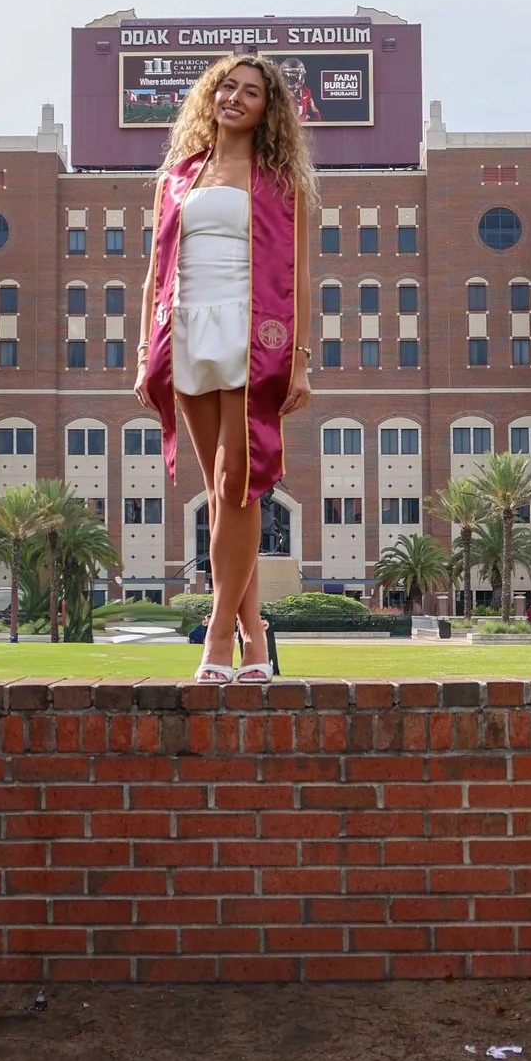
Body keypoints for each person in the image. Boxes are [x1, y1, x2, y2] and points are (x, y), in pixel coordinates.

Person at [140, 52, 315, 683]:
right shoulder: (177, 178)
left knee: (237, 480)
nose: (235, 97)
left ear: (269, 111)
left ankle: (218, 637)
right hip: (186, 330)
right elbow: (155, 273)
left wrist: (299, 361)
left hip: (251, 333)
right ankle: (255, 637)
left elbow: (299, 276)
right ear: (211, 95)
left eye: (251, 92)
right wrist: (144, 352)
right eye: (226, 86)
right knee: (218, 495)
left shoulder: (280, 182)